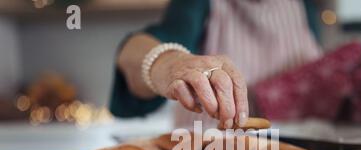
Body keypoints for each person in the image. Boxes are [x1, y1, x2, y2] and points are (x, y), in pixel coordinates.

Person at [111, 0, 323, 129]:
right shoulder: (197, 4)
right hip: (206, 149)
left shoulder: (305, 5)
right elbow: (133, 51)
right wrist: (168, 63)